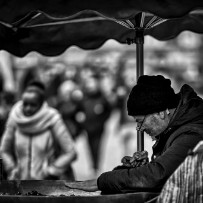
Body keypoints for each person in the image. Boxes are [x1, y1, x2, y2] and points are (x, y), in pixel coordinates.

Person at [65, 74, 203, 194]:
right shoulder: (175, 129)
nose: (139, 128)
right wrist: (139, 168)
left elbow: (158, 175)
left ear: (160, 112)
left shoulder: (191, 133)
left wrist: (103, 181)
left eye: (140, 121)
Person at [0, 80, 77, 180]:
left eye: (33, 105)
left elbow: (70, 151)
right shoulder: (15, 117)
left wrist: (51, 171)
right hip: (19, 183)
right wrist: (11, 168)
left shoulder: (52, 119)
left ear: (41, 104)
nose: (28, 109)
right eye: (25, 104)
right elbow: (4, 149)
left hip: (47, 184)